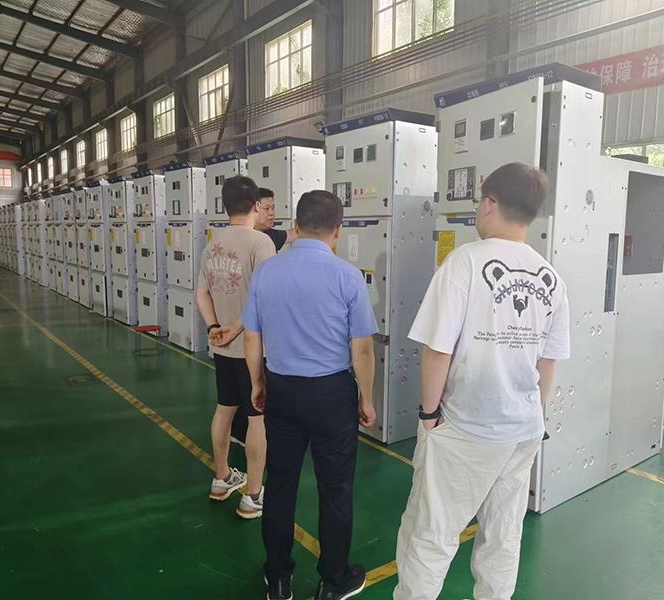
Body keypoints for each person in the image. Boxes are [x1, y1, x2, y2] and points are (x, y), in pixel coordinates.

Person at [393, 163, 571, 600]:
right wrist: (535, 415)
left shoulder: (466, 262)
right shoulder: (551, 277)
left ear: (490, 204)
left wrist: (429, 416)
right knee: (503, 534)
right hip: (523, 429)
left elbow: (437, 351)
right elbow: (548, 360)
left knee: (430, 535)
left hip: (467, 427)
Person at [240, 190, 378, 600]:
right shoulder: (347, 276)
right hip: (331, 395)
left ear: (295, 226)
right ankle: (334, 580)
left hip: (282, 391)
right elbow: (362, 347)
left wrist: (258, 383)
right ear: (338, 231)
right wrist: (365, 398)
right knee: (335, 489)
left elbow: (251, 337)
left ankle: (278, 577)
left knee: (280, 484)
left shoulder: (267, 273)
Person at [196, 175, 276, 519]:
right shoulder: (261, 242)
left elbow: (201, 293)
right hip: (253, 348)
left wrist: (215, 328)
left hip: (223, 348)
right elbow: (264, 296)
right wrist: (238, 328)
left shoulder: (212, 244)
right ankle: (253, 495)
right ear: (256, 205)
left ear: (225, 206)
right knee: (258, 419)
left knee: (224, 409)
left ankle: (222, 477)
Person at [256, 187, 297, 251]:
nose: (271, 213)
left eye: (273, 208)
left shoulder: (270, 234)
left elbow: (296, 234)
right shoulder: (246, 237)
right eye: (267, 208)